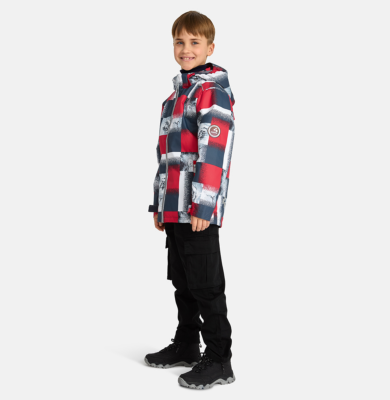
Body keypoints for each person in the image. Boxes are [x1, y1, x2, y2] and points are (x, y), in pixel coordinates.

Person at [145, 10, 236, 390]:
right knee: (183, 282)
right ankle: (186, 344)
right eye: (179, 42)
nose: (186, 49)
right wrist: (159, 203)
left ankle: (219, 359)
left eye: (194, 42)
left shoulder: (211, 92)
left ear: (210, 48)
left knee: (206, 285)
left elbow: (214, 150)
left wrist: (203, 204)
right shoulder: (173, 97)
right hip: (174, 207)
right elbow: (166, 155)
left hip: (197, 209)